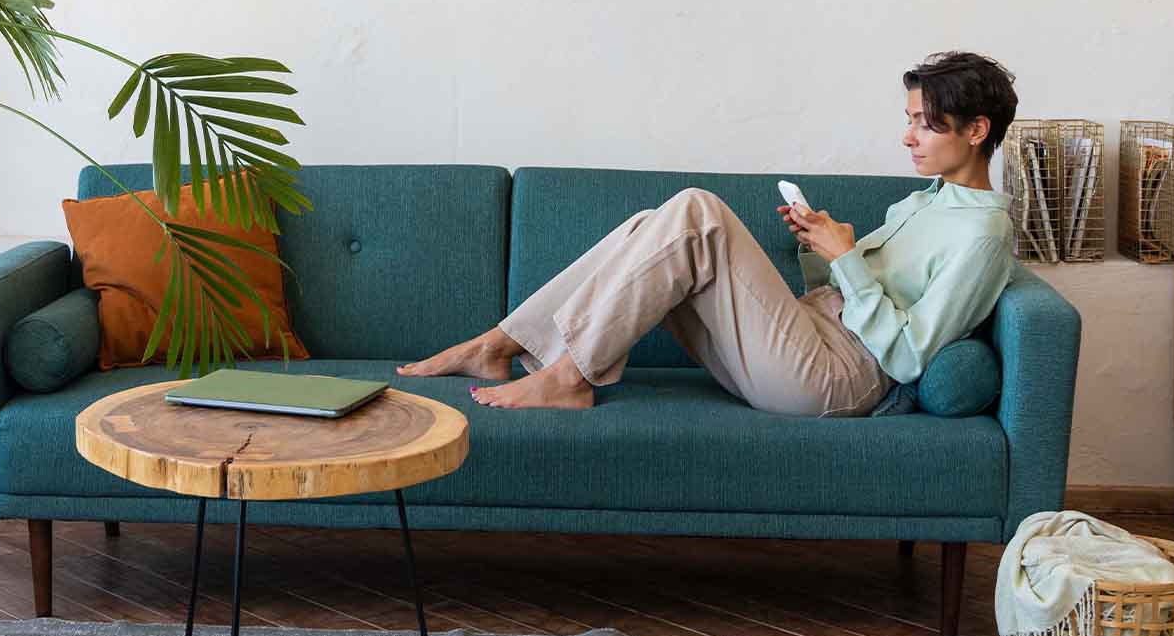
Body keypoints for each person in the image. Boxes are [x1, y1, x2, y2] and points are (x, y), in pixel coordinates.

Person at [397, 51, 1020, 415]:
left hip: (836, 377)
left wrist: (850, 261)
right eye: (908, 120)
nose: (907, 137)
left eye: (925, 125)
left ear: (975, 131)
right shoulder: (927, 200)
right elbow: (856, 292)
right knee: (653, 227)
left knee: (697, 211)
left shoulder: (985, 235)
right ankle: (500, 343)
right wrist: (826, 250)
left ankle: (568, 375)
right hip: (810, 335)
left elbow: (909, 355)